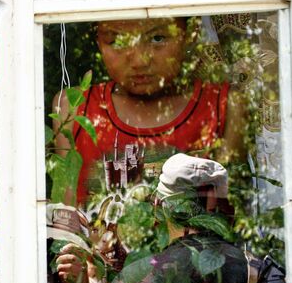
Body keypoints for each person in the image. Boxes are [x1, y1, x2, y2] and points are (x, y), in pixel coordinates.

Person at [52, 15, 245, 205]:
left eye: (158, 38)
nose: (140, 61)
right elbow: (67, 217)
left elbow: (225, 213)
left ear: (189, 35)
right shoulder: (75, 107)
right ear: (98, 43)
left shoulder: (224, 105)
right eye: (118, 41)